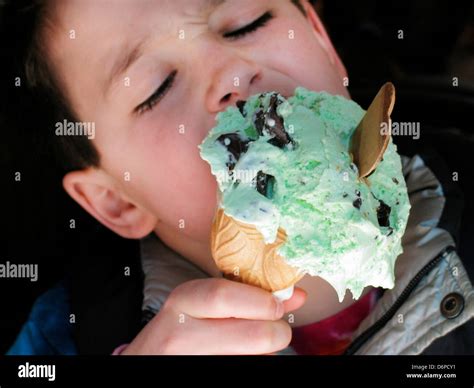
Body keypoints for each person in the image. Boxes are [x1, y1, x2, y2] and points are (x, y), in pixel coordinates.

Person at [3, 0, 473, 355]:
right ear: (115, 200)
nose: (230, 73)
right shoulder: (60, 336)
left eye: (247, 22)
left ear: (324, 45)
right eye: (156, 88)